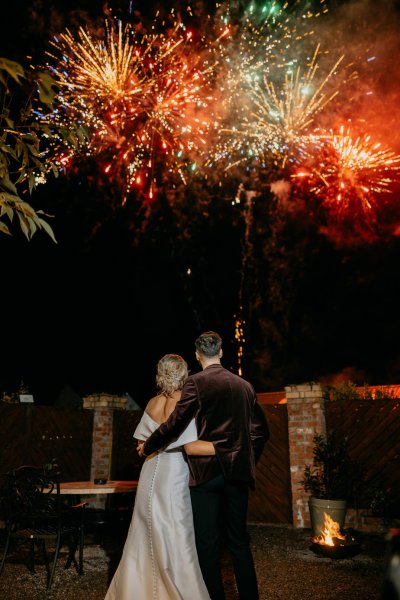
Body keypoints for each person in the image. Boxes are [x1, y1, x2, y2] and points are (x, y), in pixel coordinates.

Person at [139, 331, 269, 600]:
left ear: (198, 356)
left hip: (206, 473)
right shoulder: (245, 386)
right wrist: (244, 458)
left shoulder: (195, 383)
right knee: (238, 542)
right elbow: (260, 432)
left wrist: (147, 446)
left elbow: (173, 426)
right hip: (237, 473)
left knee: (207, 544)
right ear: (221, 352)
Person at [105, 354, 211, 600]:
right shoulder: (185, 401)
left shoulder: (152, 402)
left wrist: (150, 448)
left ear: (160, 374)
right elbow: (190, 445)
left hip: (151, 469)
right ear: (183, 374)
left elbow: (142, 447)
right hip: (174, 470)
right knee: (177, 529)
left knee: (144, 531)